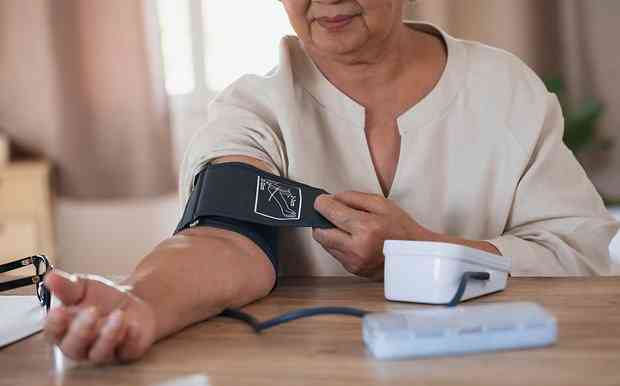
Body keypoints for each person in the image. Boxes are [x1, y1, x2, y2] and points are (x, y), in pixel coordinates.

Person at [43, 0, 619, 364]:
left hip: (495, 373)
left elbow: (580, 252)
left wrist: (422, 250)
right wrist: (141, 303)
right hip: (313, 382)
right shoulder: (252, 110)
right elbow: (222, 238)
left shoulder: (506, 90)